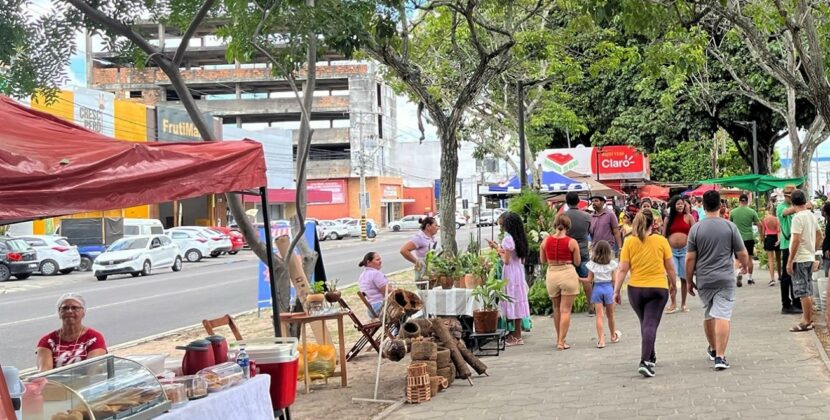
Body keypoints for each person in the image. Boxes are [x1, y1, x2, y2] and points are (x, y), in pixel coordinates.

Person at [686, 190, 750, 371]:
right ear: (720, 206)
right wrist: (744, 266)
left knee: (709, 313)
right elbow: (742, 253)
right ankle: (720, 357)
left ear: (703, 206)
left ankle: (714, 349)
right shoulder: (730, 227)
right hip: (725, 278)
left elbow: (690, 258)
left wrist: (689, 280)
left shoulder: (696, 229)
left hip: (704, 279)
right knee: (722, 314)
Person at [614, 211, 677, 377]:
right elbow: (670, 267)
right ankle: (644, 361)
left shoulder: (629, 242)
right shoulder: (661, 241)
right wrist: (674, 285)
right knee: (650, 324)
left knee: (646, 323)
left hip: (635, 289)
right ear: (653, 224)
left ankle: (651, 355)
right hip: (657, 288)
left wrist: (616, 290)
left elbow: (622, 269)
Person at [489, 212, 531, 346]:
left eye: (502, 224)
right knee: (518, 301)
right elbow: (514, 256)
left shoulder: (507, 238)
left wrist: (497, 251)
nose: (501, 226)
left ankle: (515, 336)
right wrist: (498, 248)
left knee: (511, 300)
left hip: (510, 273)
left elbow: (506, 261)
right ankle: (516, 333)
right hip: (518, 271)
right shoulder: (519, 237)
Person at [540, 213, 581, 350]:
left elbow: (542, 260)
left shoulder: (545, 241)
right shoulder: (572, 242)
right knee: (566, 310)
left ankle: (559, 338)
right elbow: (577, 262)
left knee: (556, 309)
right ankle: (562, 341)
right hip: (567, 272)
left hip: (552, 273)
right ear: (567, 225)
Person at [37, 293, 107, 372]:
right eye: (65, 308)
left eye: (75, 308)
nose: (69, 311)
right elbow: (44, 373)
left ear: (83, 312)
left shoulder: (94, 338)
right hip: (55, 384)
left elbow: (92, 370)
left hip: (85, 383)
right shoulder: (47, 340)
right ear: (59, 313)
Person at [785, 189, 822, 332]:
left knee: (802, 291)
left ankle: (806, 321)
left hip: (800, 259)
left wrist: (790, 260)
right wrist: (812, 250)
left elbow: (796, 240)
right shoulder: (811, 215)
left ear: (792, 202)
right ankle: (809, 319)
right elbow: (820, 234)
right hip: (809, 257)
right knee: (807, 289)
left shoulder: (797, 218)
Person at [664, 195, 696, 313]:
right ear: (673, 205)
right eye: (678, 204)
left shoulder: (689, 217)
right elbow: (664, 236)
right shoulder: (668, 219)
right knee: (671, 279)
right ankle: (673, 303)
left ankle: (683, 304)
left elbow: (694, 234)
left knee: (684, 278)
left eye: (682, 204)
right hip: (671, 251)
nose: (680, 206)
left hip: (685, 251)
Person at [586, 240, 620, 348]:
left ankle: (601, 340)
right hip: (608, 289)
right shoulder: (612, 264)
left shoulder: (592, 265)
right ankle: (613, 335)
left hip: (597, 289)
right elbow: (614, 280)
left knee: (599, 316)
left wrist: (578, 279)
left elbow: (589, 280)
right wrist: (616, 292)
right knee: (610, 315)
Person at [564, 191, 592, 313]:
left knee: (565, 281)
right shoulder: (586, 216)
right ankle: (591, 305)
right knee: (586, 278)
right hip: (583, 251)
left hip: (567, 252)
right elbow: (591, 233)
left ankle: (566, 307)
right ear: (578, 201)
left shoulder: (563, 217)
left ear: (567, 202)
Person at [777, 185, 803, 314]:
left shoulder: (796, 209)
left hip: (795, 245)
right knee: (786, 276)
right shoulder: (781, 207)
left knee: (795, 275)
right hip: (787, 245)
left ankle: (796, 302)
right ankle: (785, 304)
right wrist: (802, 206)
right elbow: (785, 213)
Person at [730, 194, 761, 287]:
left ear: (739, 201)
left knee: (737, 259)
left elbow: (730, 225)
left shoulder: (733, 212)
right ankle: (750, 278)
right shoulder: (752, 211)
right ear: (747, 201)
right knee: (749, 259)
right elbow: (759, 224)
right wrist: (761, 235)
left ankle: (738, 273)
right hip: (749, 238)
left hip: (737, 238)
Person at [400, 216, 439, 285]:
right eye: (435, 225)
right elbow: (404, 250)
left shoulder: (432, 238)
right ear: (428, 226)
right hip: (424, 274)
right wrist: (417, 262)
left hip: (433, 272)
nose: (437, 228)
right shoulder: (419, 238)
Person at [358, 252, 390, 319]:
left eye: (380, 259)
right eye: (377, 260)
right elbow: (387, 292)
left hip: (371, 309)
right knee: (404, 310)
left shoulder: (362, 276)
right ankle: (397, 329)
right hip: (380, 308)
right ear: (369, 262)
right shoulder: (375, 274)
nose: (380, 261)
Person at [761, 202, 781, 287]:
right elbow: (779, 230)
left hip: (768, 238)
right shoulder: (777, 219)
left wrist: (762, 240)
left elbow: (763, 232)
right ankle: (780, 276)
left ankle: (772, 278)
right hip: (776, 237)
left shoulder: (765, 219)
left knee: (770, 259)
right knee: (778, 259)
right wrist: (779, 240)